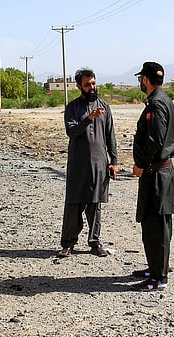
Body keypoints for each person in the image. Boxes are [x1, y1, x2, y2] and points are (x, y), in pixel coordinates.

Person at [58, 68, 118, 257]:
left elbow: (111, 135)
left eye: (93, 83)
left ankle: (95, 243)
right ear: (79, 86)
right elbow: (72, 131)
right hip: (78, 164)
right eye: (87, 84)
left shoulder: (104, 107)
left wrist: (114, 161)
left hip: (99, 164)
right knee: (74, 204)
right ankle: (68, 244)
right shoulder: (73, 108)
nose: (92, 87)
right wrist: (88, 118)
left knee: (95, 204)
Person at [131, 62, 174, 291]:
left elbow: (155, 140)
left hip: (157, 173)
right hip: (159, 171)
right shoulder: (161, 99)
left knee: (156, 225)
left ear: (146, 80)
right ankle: (156, 267)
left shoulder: (157, 104)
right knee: (154, 224)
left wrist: (140, 164)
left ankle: (158, 278)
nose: (141, 82)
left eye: (141, 78)